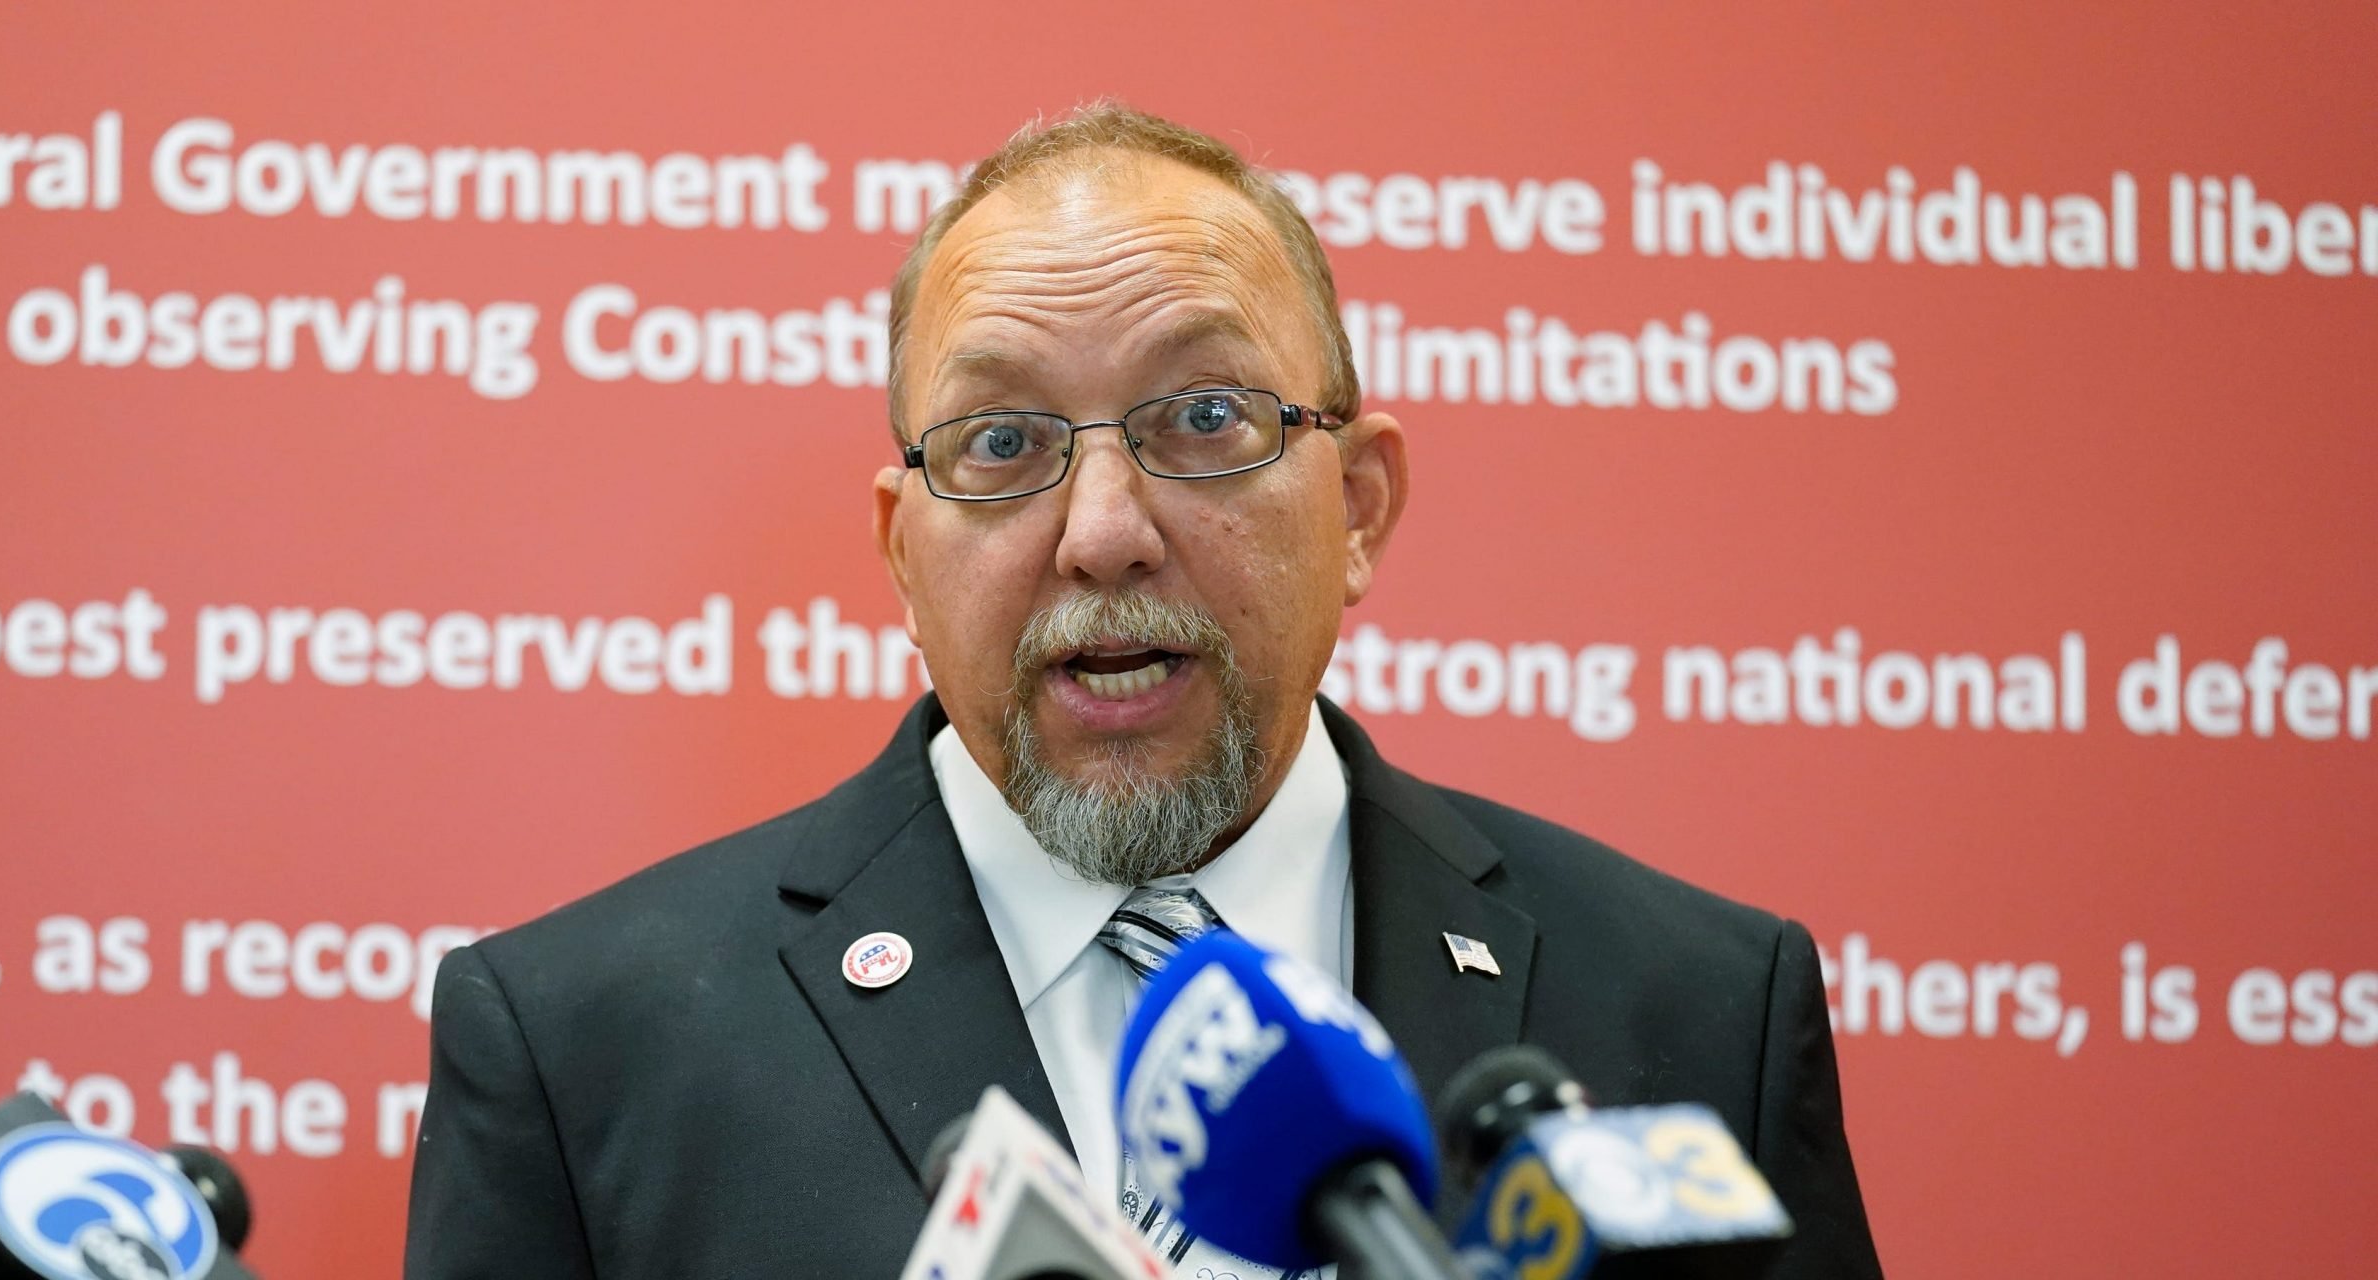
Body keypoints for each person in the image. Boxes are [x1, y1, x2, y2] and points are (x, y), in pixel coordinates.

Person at [405, 104, 1883, 1279]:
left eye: (1206, 417)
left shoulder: (1700, 1011)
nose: (1104, 530)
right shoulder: (577, 1050)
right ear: (903, 555)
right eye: (998, 443)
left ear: (1360, 506)